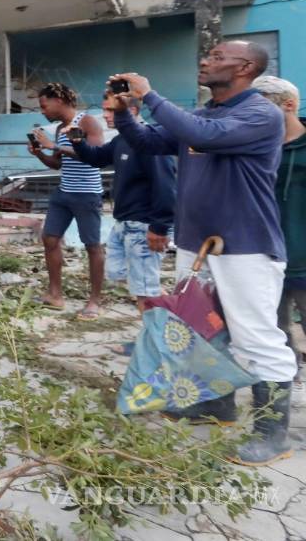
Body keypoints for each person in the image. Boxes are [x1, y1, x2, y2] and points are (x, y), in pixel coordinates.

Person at [109, 40, 295, 466]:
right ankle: (217, 405)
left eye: (217, 56)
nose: (206, 61)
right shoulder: (203, 114)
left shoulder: (260, 114)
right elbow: (145, 140)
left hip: (244, 246)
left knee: (257, 339)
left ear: (245, 67)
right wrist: (123, 109)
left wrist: (149, 95)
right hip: (197, 244)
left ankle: (272, 433)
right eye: (207, 55)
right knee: (203, 331)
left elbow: (203, 136)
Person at [70, 92, 176, 352]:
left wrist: (159, 227)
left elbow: (167, 186)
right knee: (128, 279)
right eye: (105, 110)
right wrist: (79, 142)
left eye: (111, 110)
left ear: (133, 111)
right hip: (123, 224)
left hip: (143, 226)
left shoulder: (151, 142)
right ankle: (166, 327)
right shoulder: (121, 140)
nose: (105, 115)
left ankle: (155, 346)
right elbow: (96, 158)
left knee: (145, 290)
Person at [27, 83, 108, 319]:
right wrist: (41, 152)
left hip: (87, 194)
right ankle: (55, 294)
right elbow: (58, 164)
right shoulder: (61, 127)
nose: (42, 111)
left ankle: (95, 301)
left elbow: (97, 156)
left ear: (59, 101)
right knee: (50, 238)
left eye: (44, 105)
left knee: (92, 246)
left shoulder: (87, 122)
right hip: (64, 192)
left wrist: (56, 145)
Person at [252, 76, 306, 408]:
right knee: (275, 330)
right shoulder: (257, 148)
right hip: (267, 256)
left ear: (287, 105)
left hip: (304, 257)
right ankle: (282, 394)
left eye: (261, 103)